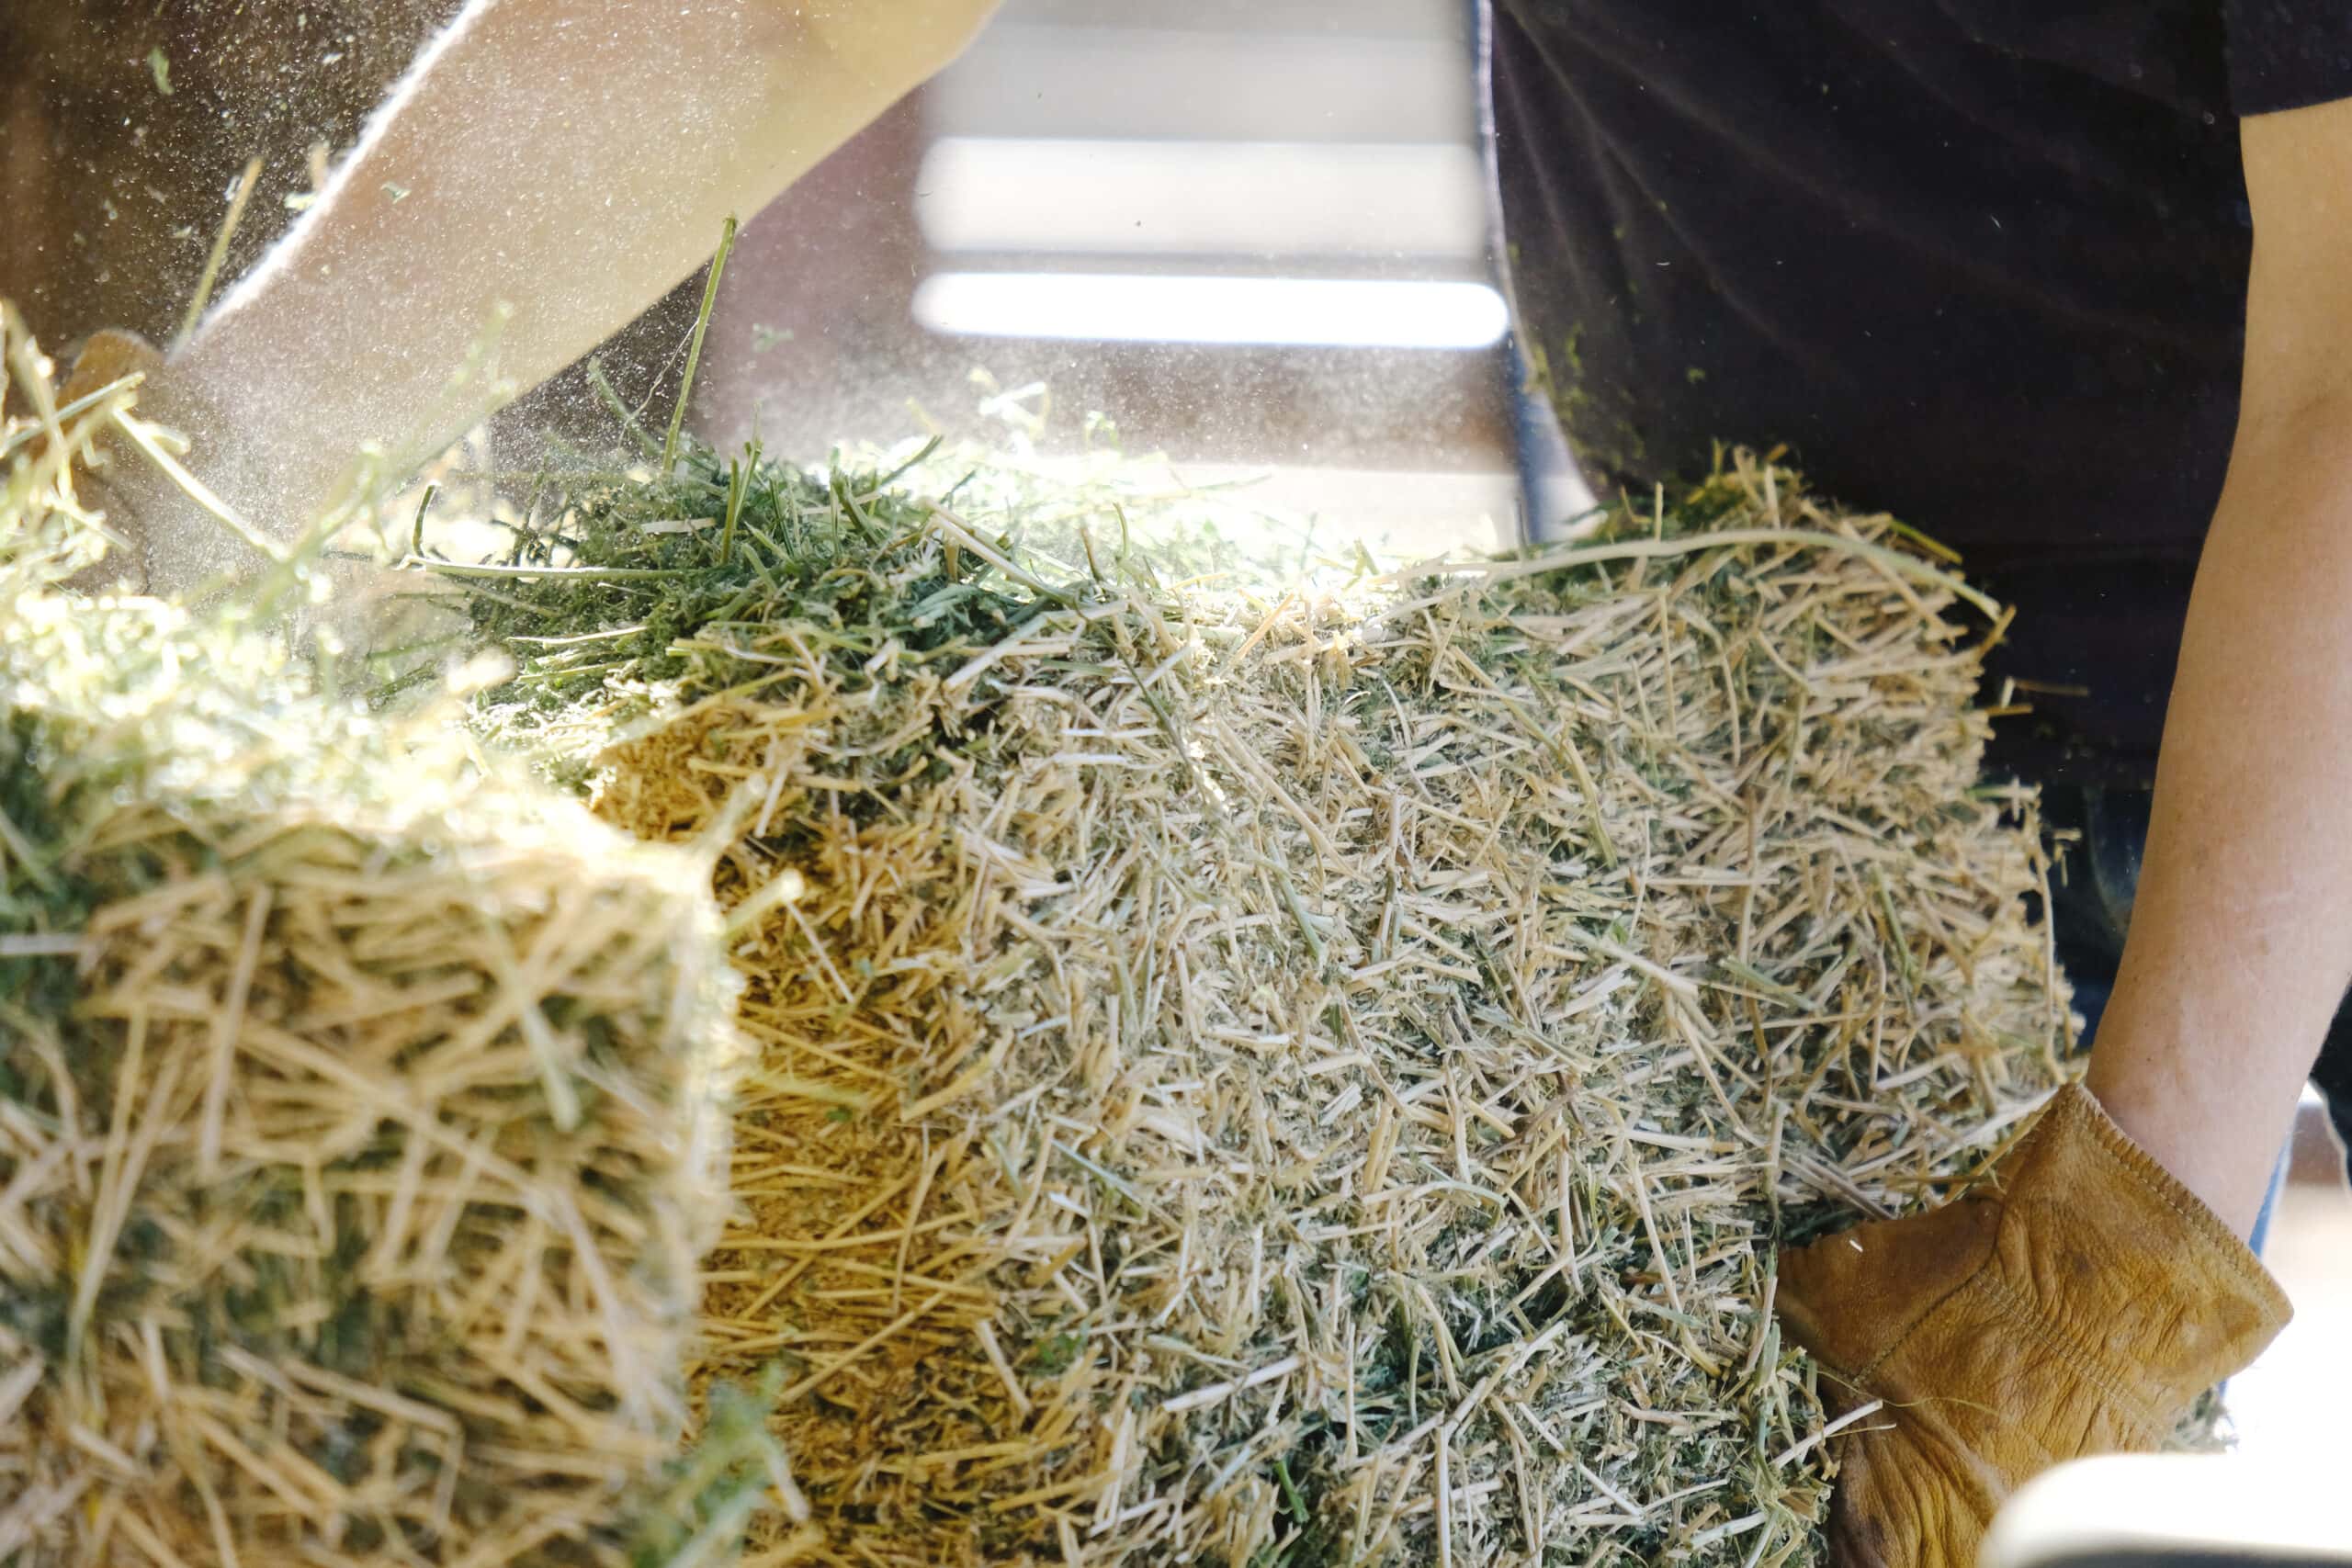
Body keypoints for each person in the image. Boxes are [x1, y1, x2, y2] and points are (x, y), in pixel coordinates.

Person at [27, 3, 2346, 1562]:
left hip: (2279, 615)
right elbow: (787, 13)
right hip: (1816, 668)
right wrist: (231, 438)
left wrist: (2103, 1253)